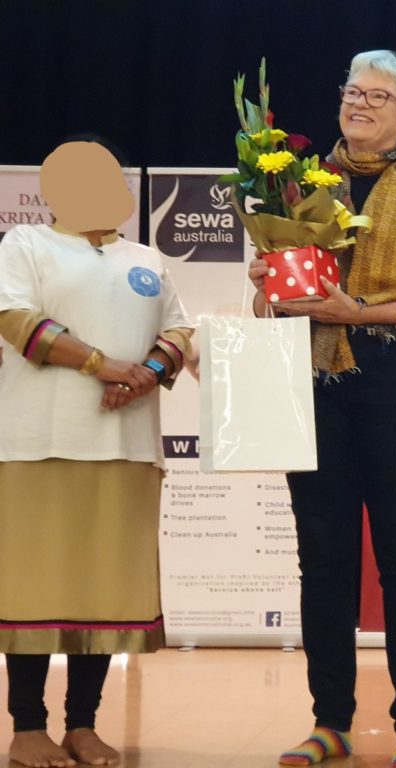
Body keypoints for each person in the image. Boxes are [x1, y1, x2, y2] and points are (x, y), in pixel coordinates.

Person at [247, 50, 396, 768]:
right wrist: (267, 281)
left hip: (394, 384)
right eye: (352, 91)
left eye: (378, 95)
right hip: (313, 382)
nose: (360, 103)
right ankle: (330, 722)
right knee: (324, 560)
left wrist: (359, 310)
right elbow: (280, 296)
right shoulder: (294, 185)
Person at [0, 139, 192, 767]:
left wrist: (144, 373)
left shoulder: (147, 257)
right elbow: (13, 317)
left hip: (126, 446)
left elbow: (179, 330)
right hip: (38, 442)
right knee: (32, 586)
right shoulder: (25, 244)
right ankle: (28, 726)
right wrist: (101, 364)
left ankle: (83, 724)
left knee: (104, 589)